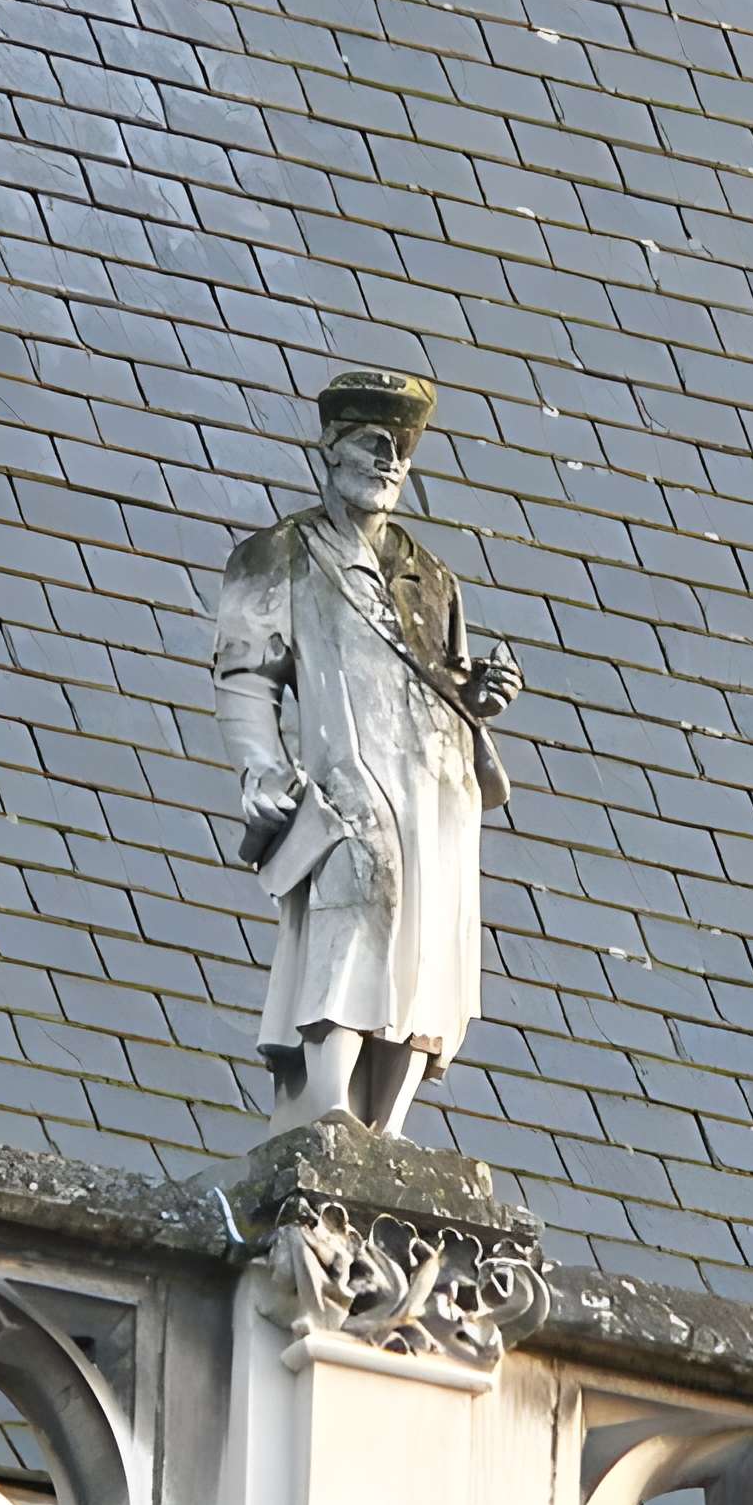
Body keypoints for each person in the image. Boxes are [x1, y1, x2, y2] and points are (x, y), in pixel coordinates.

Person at [211, 371, 522, 1135]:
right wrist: (261, 766)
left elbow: (445, 682)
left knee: (430, 941)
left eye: (402, 452)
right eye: (375, 445)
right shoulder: (280, 554)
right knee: (360, 896)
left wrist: (481, 695)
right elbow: (247, 675)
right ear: (333, 448)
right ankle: (326, 1104)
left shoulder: (432, 578)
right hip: (352, 769)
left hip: (438, 782)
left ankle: (385, 1127)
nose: (389, 463)